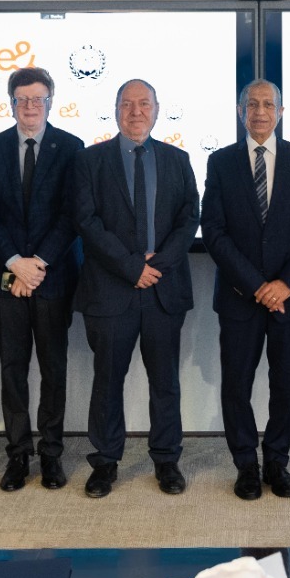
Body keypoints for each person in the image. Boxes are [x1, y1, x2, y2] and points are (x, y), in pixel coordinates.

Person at [72, 78, 199, 498]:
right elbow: (87, 221)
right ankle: (105, 462)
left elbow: (189, 217)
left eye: (144, 104)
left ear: (157, 110)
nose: (136, 111)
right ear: (115, 110)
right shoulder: (90, 161)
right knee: (108, 381)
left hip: (162, 289)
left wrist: (155, 265)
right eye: (127, 104)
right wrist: (131, 267)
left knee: (165, 382)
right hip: (111, 290)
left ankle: (166, 460)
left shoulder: (178, 159)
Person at [202, 80, 290, 500]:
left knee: (286, 386)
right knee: (236, 386)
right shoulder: (221, 162)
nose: (260, 112)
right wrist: (257, 285)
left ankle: (276, 461)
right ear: (241, 111)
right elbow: (213, 231)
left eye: (268, 105)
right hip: (240, 297)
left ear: (281, 111)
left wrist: (285, 284)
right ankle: (245, 465)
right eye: (251, 105)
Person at [0, 66, 84, 492]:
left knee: (54, 369)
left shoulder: (72, 148)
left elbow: (72, 214)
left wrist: (36, 263)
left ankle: (52, 454)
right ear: (11, 103)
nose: (30, 106)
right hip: (5, 278)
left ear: (50, 103)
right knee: (12, 369)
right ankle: (18, 454)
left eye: (38, 99)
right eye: (22, 99)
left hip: (52, 277)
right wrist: (14, 263)